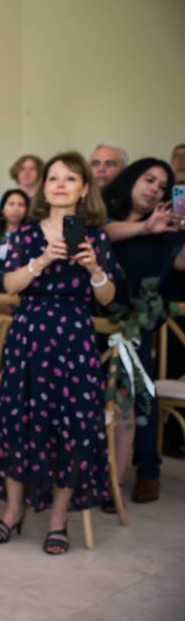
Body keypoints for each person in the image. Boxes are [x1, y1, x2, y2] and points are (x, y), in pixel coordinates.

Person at [0, 151, 118, 555]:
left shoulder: (96, 238)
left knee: (71, 424)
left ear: (84, 189)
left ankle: (59, 519)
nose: (60, 184)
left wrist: (94, 268)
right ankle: (12, 510)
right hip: (29, 335)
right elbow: (8, 284)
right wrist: (43, 259)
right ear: (44, 189)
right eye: (54, 178)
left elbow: (108, 298)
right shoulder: (25, 235)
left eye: (70, 178)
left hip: (74, 339)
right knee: (18, 417)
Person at [102, 158, 185, 504]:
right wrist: (144, 227)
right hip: (95, 321)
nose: (154, 189)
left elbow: (180, 263)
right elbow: (102, 233)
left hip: (137, 324)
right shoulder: (106, 213)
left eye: (162, 186)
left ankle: (145, 470)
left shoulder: (167, 231)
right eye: (149, 180)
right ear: (132, 179)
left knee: (140, 393)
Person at [0, 154, 43, 232]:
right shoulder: (3, 199)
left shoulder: (45, 200)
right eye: (22, 169)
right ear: (16, 172)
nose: (27, 173)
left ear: (40, 172)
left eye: (32, 169)